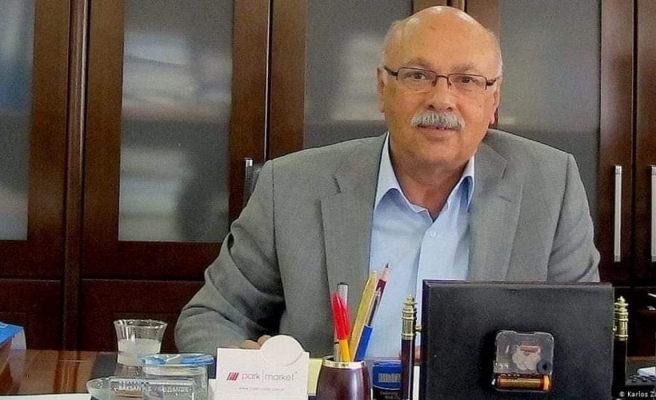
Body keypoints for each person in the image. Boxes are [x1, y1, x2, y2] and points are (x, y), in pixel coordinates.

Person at [175, 6, 599, 358]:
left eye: (467, 81)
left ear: (494, 100)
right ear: (383, 88)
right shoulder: (290, 186)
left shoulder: (550, 185)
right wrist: (250, 368)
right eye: (418, 76)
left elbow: (581, 339)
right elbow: (211, 318)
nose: (441, 99)